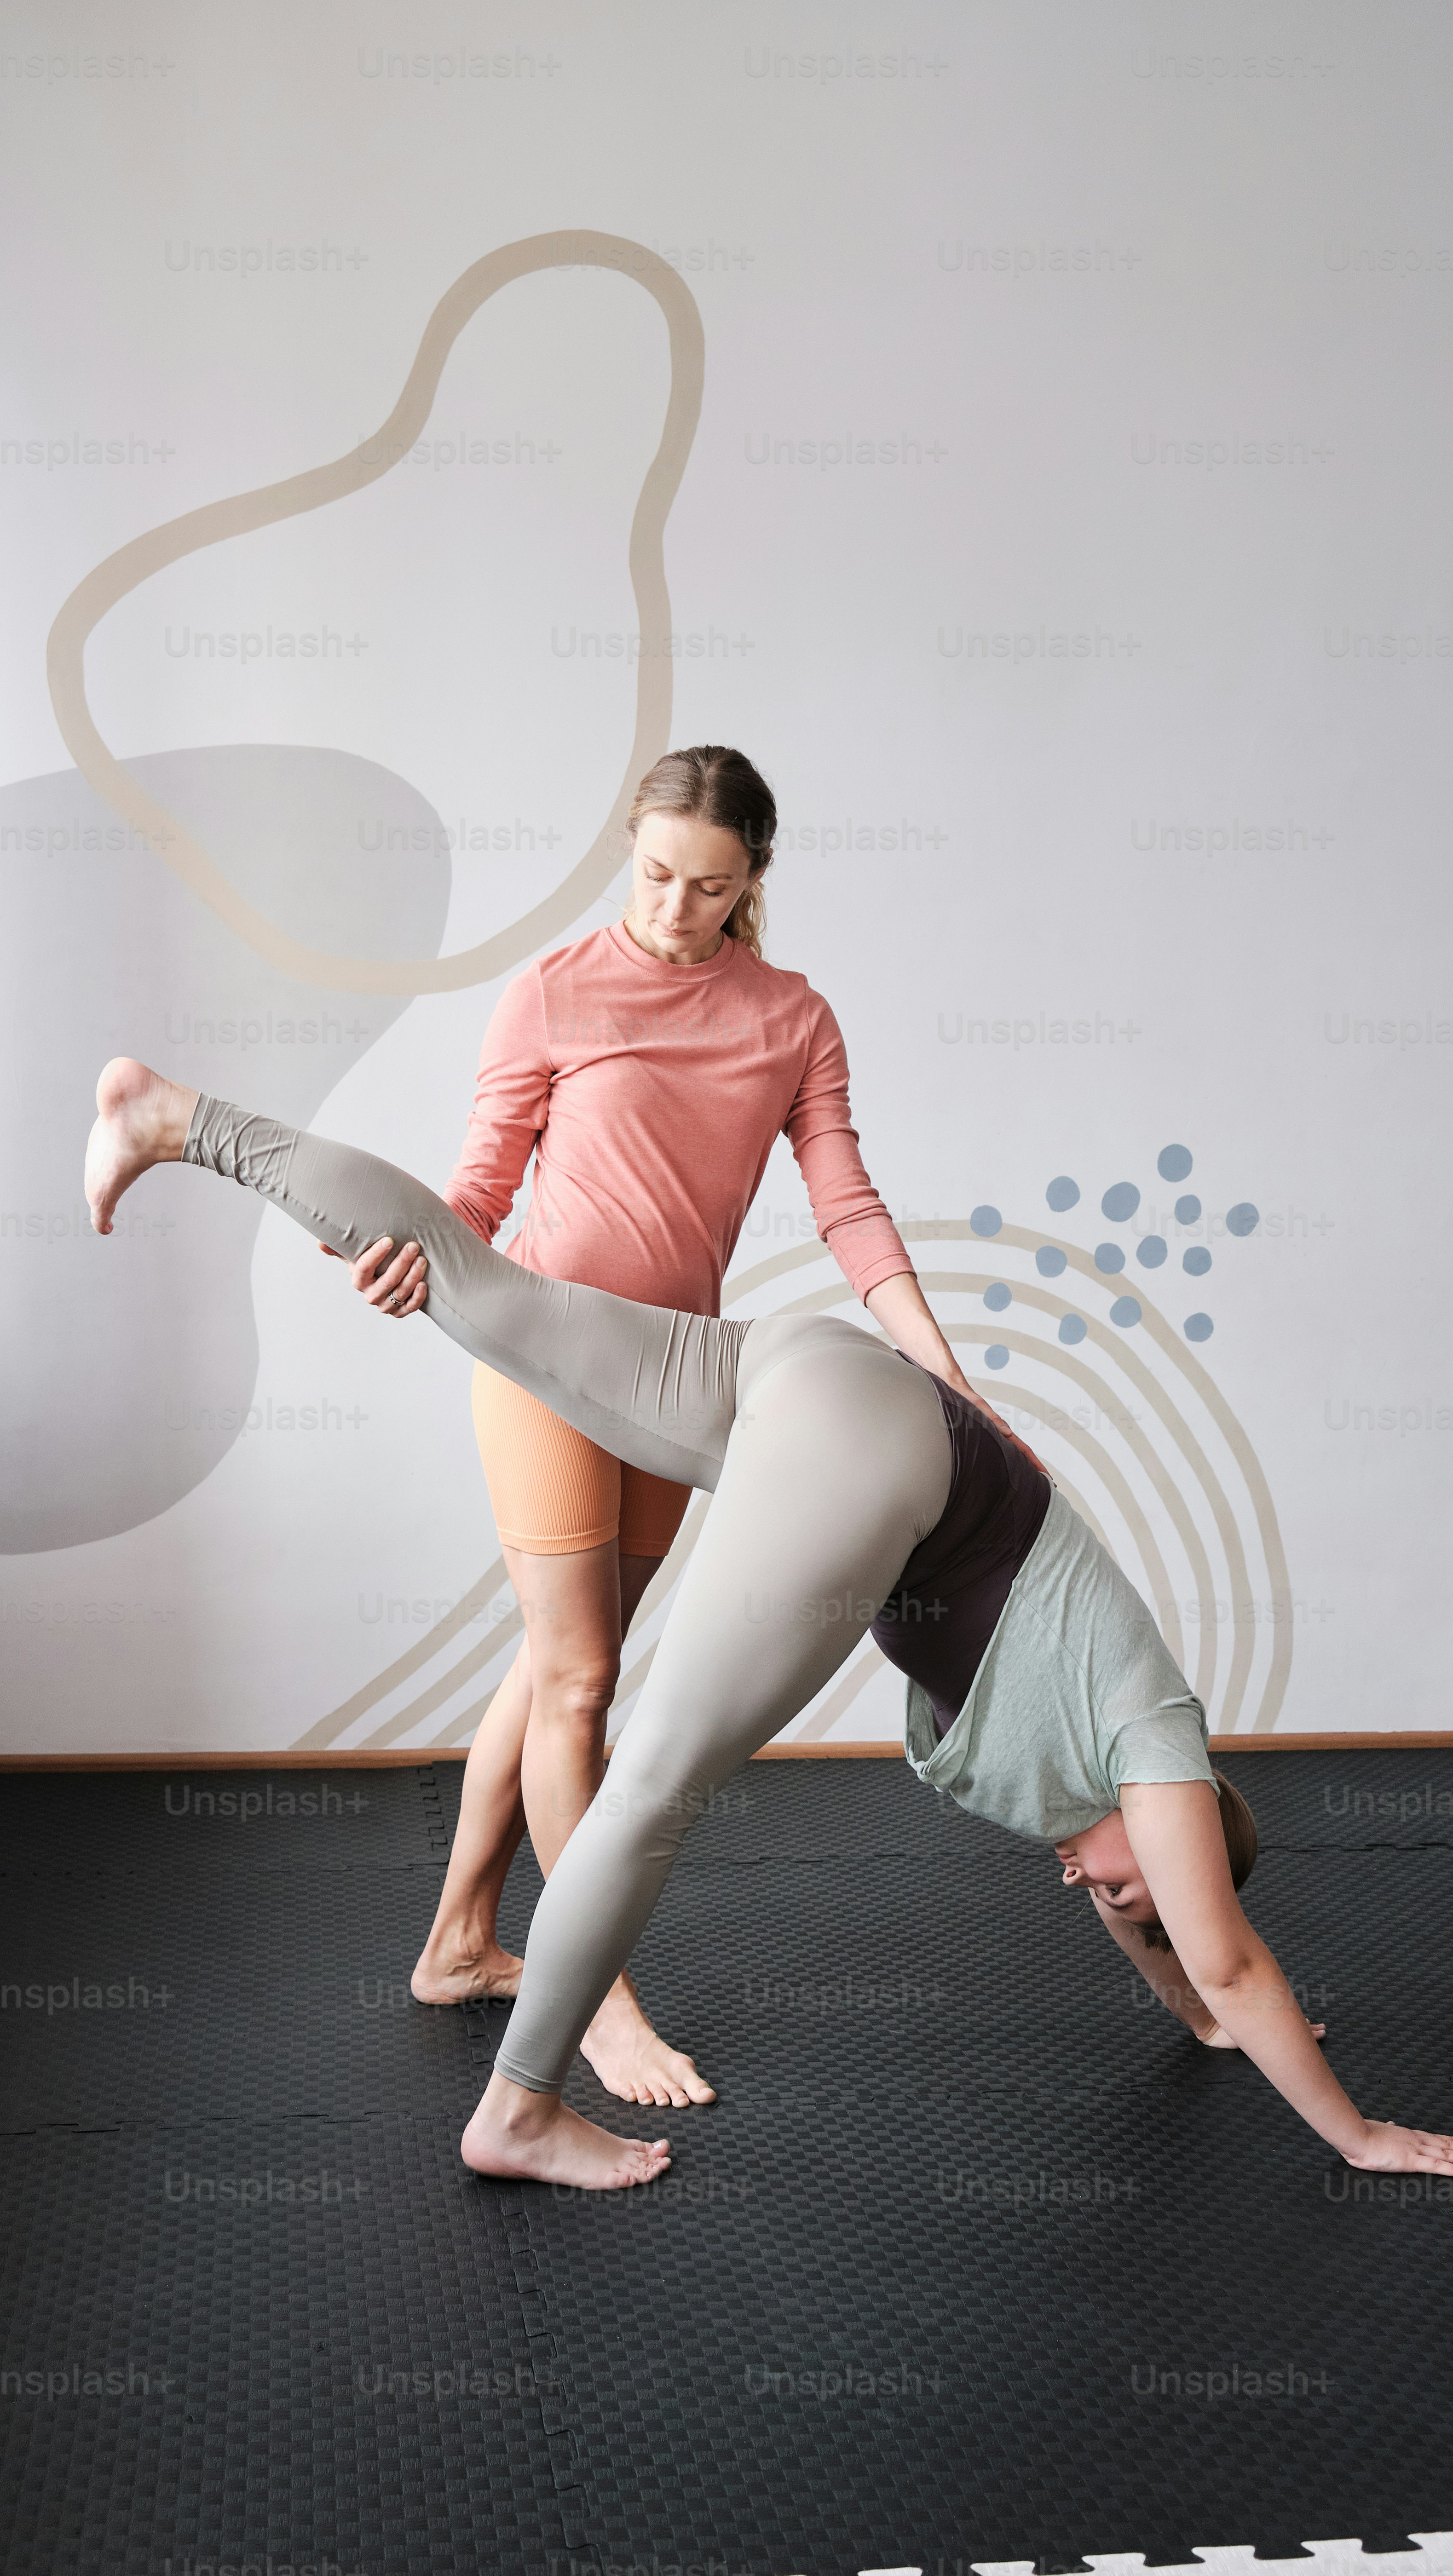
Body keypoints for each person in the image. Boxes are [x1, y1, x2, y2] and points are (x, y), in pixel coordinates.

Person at [85, 1060, 1453, 2196]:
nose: (1091, 1894)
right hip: (869, 1453)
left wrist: (1196, 2015)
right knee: (652, 1787)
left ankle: (177, 1119)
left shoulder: (1104, 1783)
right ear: (1191, 1829)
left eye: (1120, 1909)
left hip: (818, 1374)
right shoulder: (1161, 1747)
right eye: (1128, 1889)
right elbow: (1222, 1945)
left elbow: (1193, 1962)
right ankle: (520, 2109)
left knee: (485, 1294)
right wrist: (1359, 2132)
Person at [323, 746, 1015, 2110]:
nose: (672, 909)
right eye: (652, 875)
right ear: (627, 850)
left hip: (678, 1381)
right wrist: (425, 1265)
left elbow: (848, 1203)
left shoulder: (793, 1019)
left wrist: (946, 1371)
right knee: (582, 1684)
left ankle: (462, 1942)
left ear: (753, 880)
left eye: (708, 888)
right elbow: (481, 1182)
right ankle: (601, 2011)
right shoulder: (555, 990)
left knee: (566, 1667)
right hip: (539, 1354)